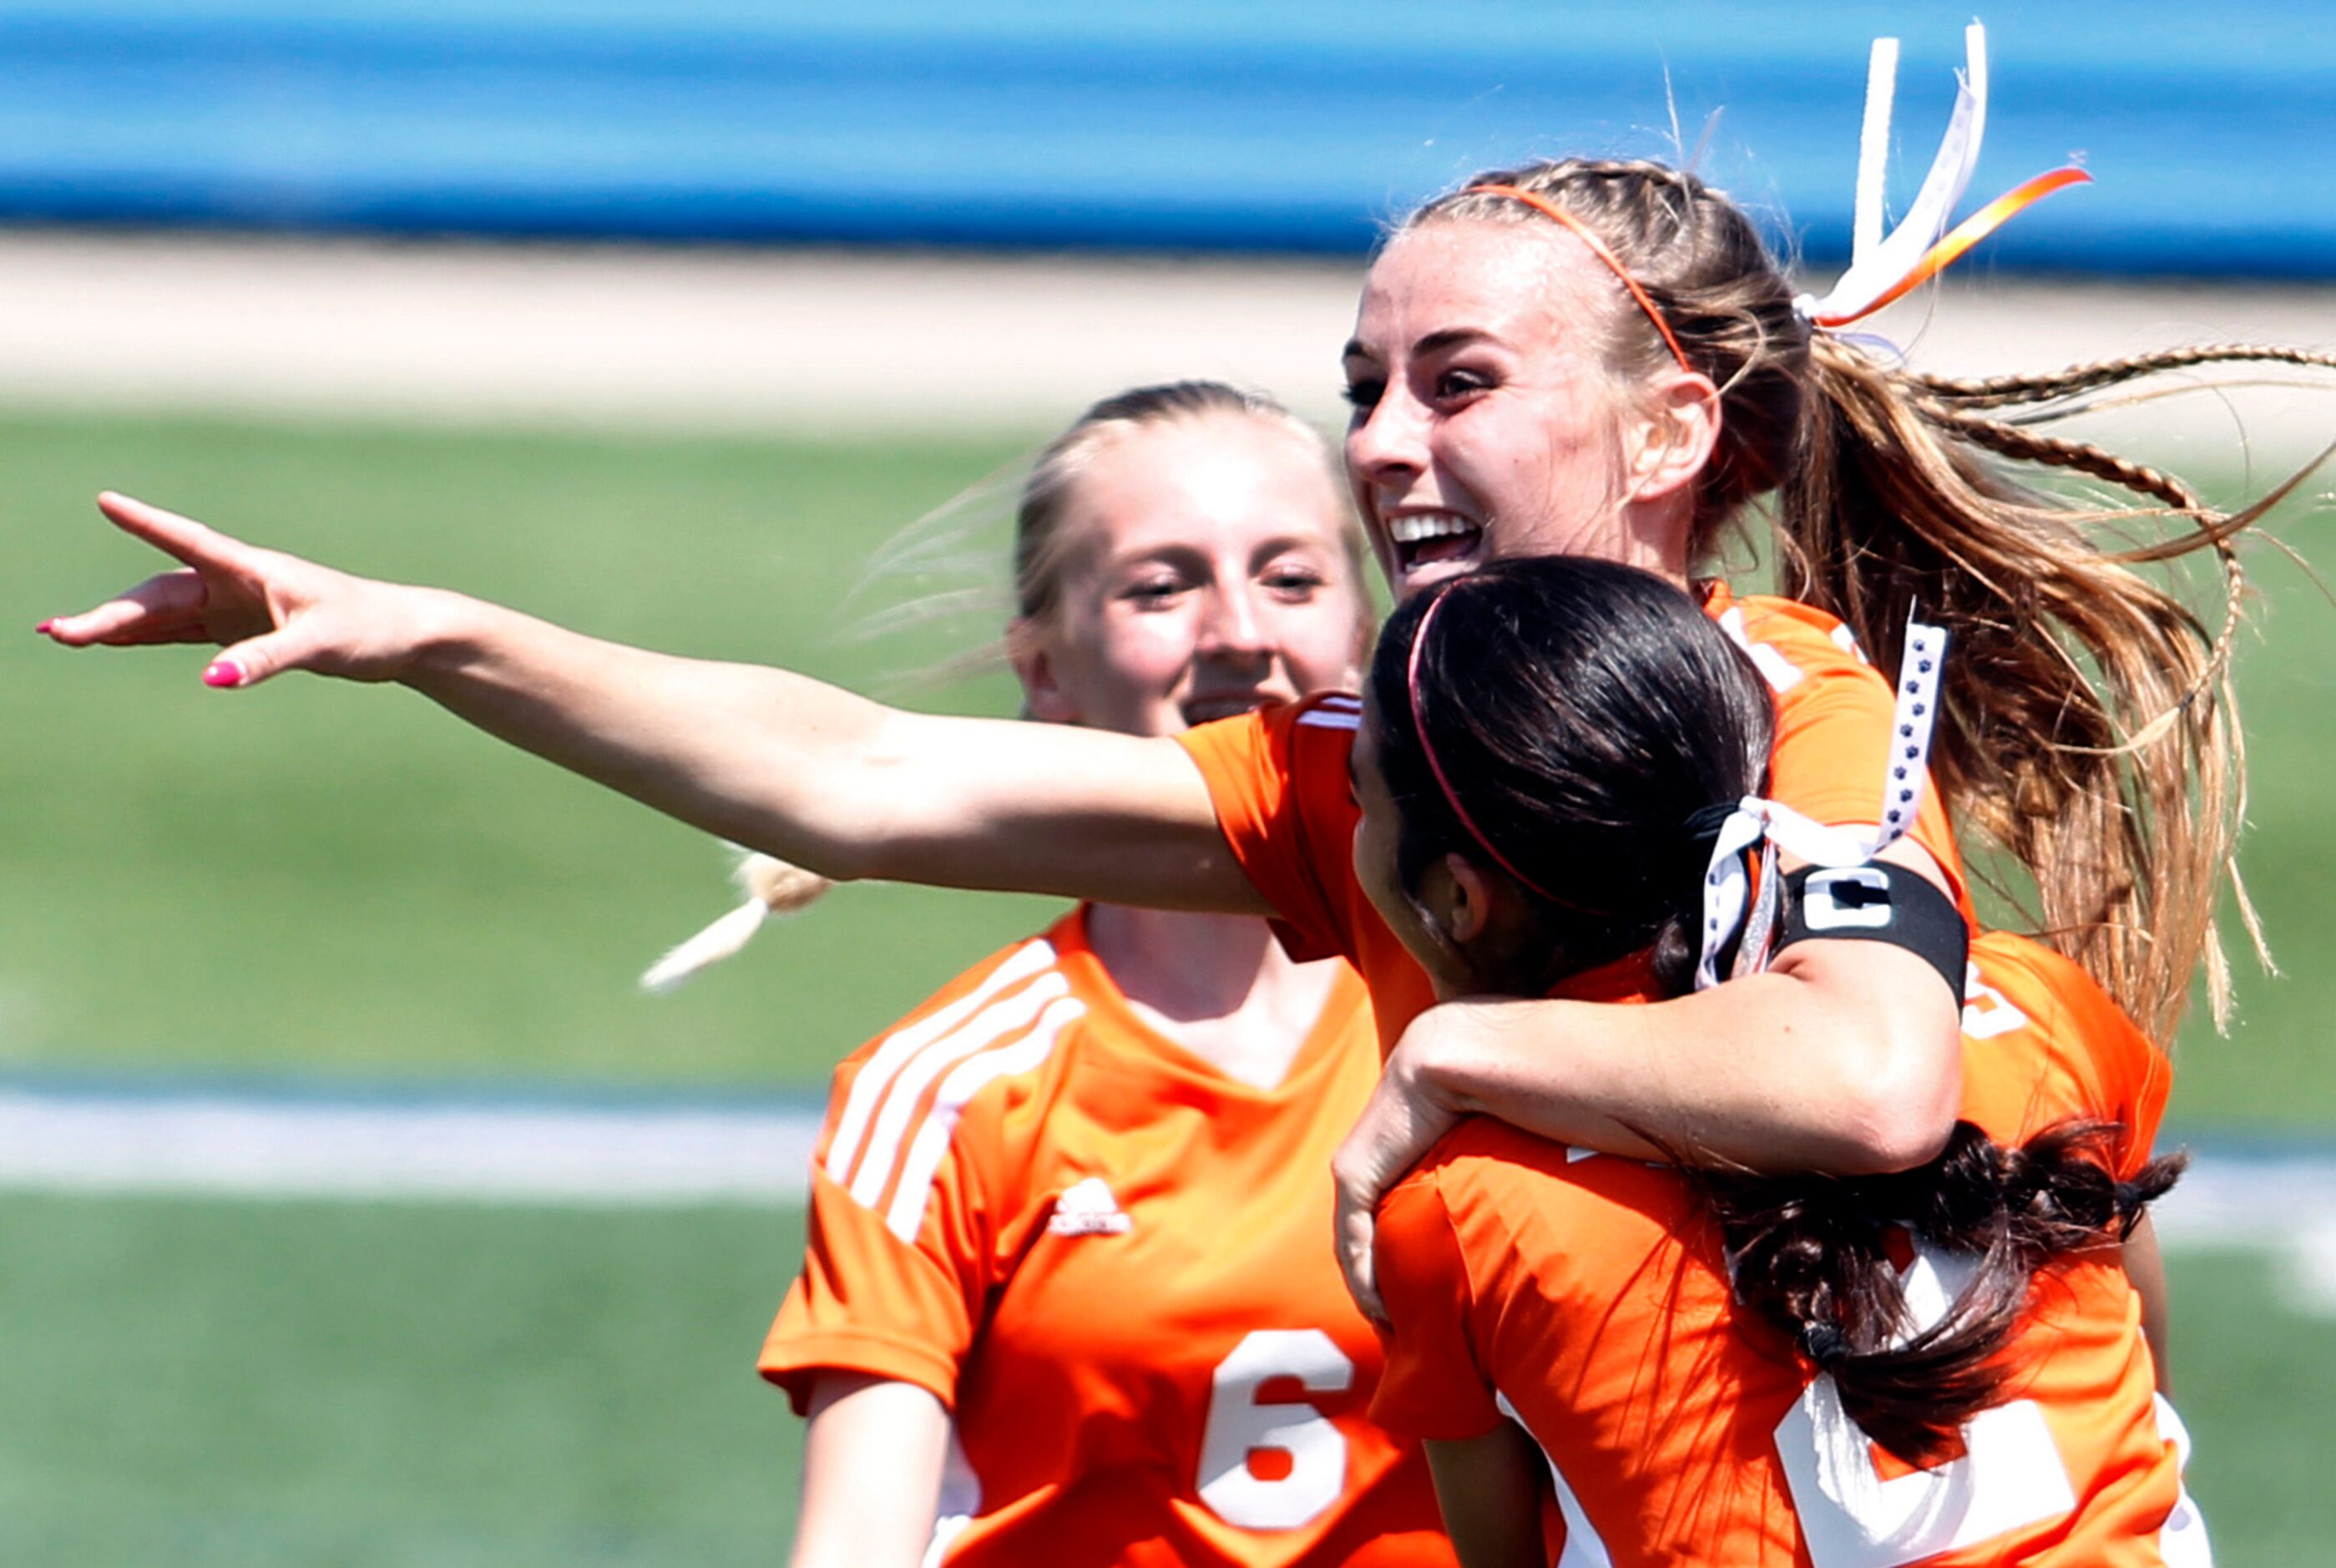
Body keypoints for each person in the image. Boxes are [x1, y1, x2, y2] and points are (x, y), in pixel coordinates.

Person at [43, 68, 2303, 1316]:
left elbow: (1869, 1067)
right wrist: (439, 628)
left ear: (1663, 428)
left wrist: (1450, 1054)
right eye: (1364, 387)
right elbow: (851, 771)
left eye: (1456, 379)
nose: (1383, 440)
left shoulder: (1781, 708)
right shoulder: (1357, 767)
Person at [1351, 555, 2205, 1565]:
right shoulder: (2029, 1003)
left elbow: (1504, 1552)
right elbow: (2144, 1381)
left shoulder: (1454, 1209)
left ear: (1458, 900)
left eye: (1359, 798)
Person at [758, 381, 1451, 1567]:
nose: (1238, 630)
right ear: (1043, 670)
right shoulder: (942, 1088)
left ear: (1365, 631)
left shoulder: (1497, 1027)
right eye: (1160, 585)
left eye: (1290, 578)